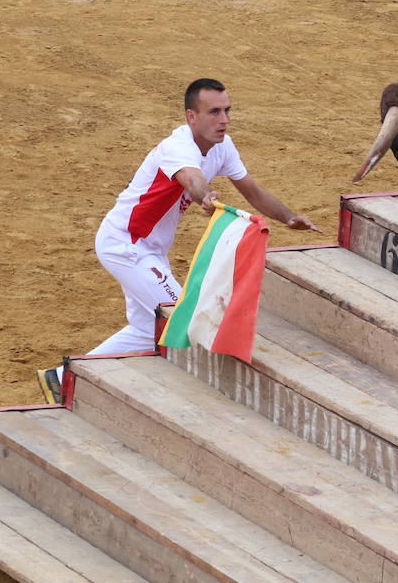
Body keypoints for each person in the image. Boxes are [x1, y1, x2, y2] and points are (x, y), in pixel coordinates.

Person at [36, 78, 321, 403]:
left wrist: (288, 217)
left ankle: (59, 379)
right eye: (214, 112)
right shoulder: (178, 147)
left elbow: (252, 190)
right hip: (126, 245)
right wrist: (206, 196)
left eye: (227, 110)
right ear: (192, 117)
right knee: (180, 316)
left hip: (150, 251)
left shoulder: (222, 146)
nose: (224, 120)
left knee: (147, 330)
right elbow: (192, 178)